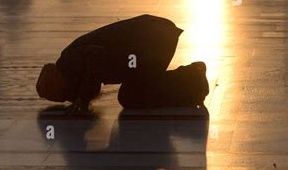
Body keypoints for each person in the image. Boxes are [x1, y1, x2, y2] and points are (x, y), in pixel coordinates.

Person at [36, 14, 209, 114]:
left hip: (152, 40)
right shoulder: (70, 63)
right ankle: (191, 80)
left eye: (64, 96)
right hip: (155, 35)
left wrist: (82, 99)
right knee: (133, 94)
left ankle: (193, 78)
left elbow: (97, 56)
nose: (68, 98)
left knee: (132, 96)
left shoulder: (69, 60)